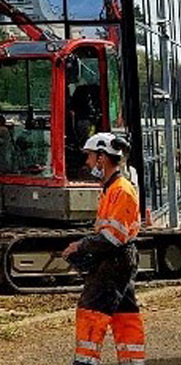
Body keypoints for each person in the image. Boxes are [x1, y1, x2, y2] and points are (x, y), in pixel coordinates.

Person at [62, 132, 145, 365]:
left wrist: (81, 245)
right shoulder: (113, 188)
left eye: (89, 156)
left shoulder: (121, 190)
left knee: (91, 310)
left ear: (102, 158)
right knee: (124, 313)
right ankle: (133, 361)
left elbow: (112, 237)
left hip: (114, 260)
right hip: (118, 259)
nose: (87, 162)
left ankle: (85, 362)